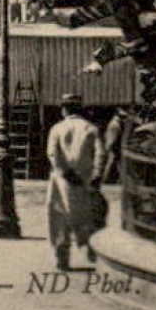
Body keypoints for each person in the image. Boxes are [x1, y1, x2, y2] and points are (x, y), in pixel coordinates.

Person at [46, 94, 104, 270]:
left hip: (62, 181)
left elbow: (53, 153)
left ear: (64, 109)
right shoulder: (91, 129)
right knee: (89, 215)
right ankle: (92, 249)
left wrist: (64, 172)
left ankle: (62, 256)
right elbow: (100, 154)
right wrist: (96, 175)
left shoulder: (57, 129)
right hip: (86, 180)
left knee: (60, 217)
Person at [99, 106, 129, 185]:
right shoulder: (115, 125)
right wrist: (109, 147)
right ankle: (104, 180)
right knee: (111, 163)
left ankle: (116, 180)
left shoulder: (115, 124)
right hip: (113, 147)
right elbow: (112, 138)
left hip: (114, 147)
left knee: (116, 164)